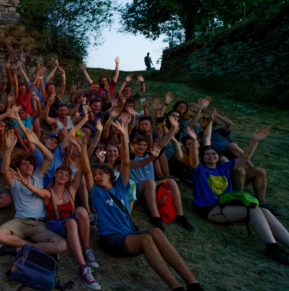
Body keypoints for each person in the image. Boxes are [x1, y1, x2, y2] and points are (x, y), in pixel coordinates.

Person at [80, 120, 204, 291]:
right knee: (146, 238)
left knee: (155, 231)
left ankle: (193, 283)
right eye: (95, 175)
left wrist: (124, 135)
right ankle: (175, 287)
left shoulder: (122, 188)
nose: (97, 177)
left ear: (110, 175)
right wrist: (82, 148)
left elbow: (125, 162)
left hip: (129, 234)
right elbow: (86, 171)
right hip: (111, 239)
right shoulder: (97, 192)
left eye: (101, 173)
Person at [185, 126, 289, 267]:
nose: (211, 156)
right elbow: (193, 159)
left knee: (264, 211)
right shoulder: (199, 169)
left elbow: (244, 157)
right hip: (209, 209)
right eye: (207, 154)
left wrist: (254, 141)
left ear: (218, 156)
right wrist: (194, 141)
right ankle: (272, 248)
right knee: (253, 211)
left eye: (213, 153)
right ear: (202, 158)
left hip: (227, 206)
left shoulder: (224, 167)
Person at [0, 131, 100, 290]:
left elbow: (78, 170)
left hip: (41, 224)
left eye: (66, 174)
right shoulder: (44, 190)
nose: (29, 166)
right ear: (54, 175)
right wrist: (9, 148)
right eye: (60, 173)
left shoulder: (40, 177)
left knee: (74, 223)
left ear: (68, 178)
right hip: (26, 221)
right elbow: (8, 173)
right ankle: (33, 248)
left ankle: (85, 252)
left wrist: (81, 148)